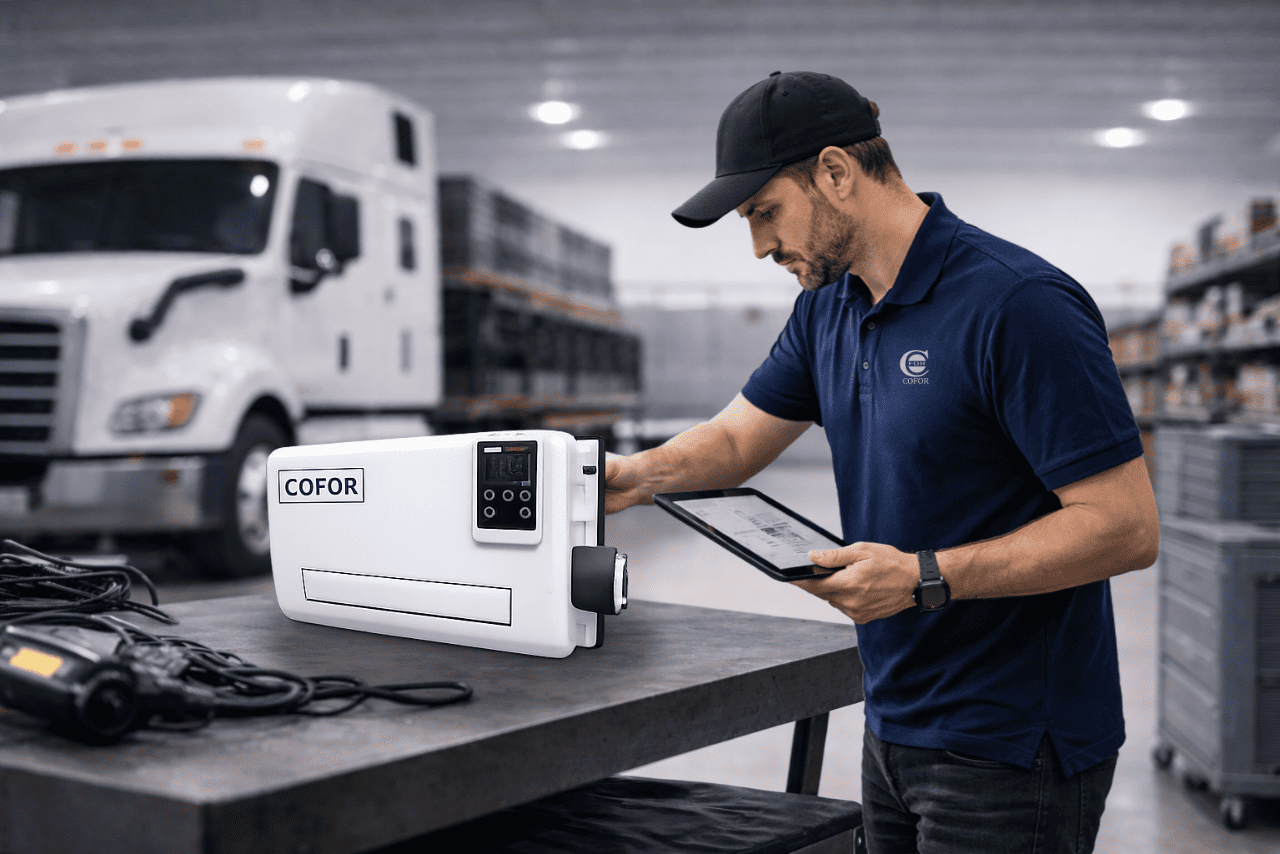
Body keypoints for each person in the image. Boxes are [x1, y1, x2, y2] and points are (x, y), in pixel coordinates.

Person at [605, 70, 1159, 854]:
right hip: (893, 717)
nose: (760, 245)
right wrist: (630, 477)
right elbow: (735, 441)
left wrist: (924, 576)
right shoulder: (829, 307)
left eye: (765, 213)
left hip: (1011, 745)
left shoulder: (1017, 304)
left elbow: (1126, 529)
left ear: (835, 172)